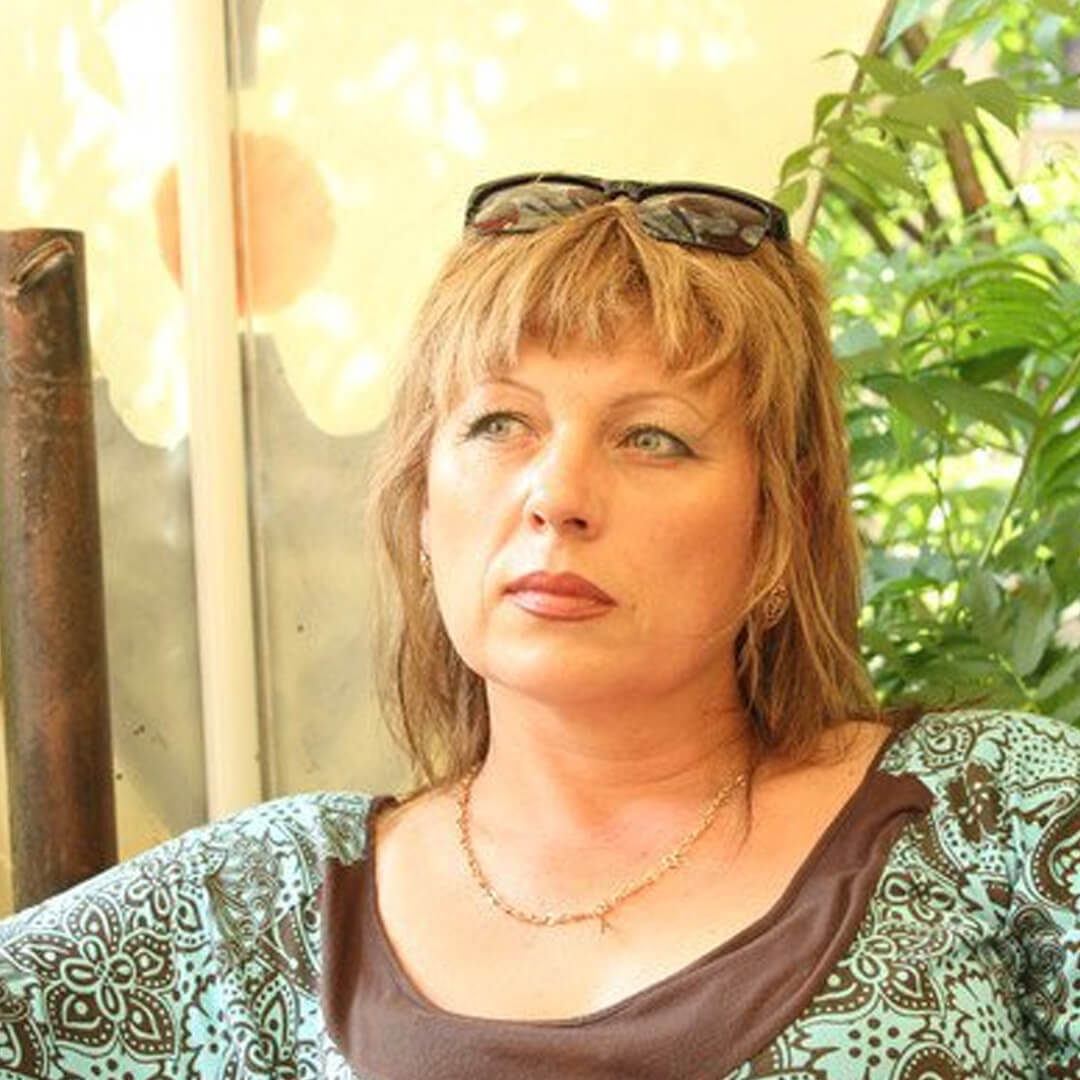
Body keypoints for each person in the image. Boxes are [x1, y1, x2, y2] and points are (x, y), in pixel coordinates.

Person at [0, 173, 1077, 1080]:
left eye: (653, 438)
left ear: (779, 525)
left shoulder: (1001, 818)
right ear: (424, 507)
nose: (557, 494)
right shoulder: (262, 905)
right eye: (500, 422)